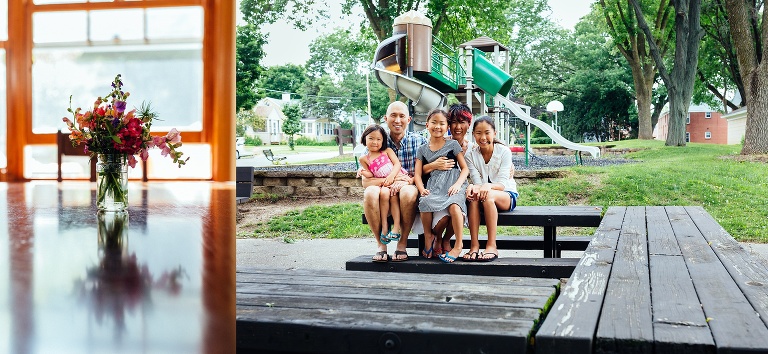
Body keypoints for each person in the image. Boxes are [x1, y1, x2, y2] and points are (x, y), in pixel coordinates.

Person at [361, 101, 427, 263]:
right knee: (370, 193)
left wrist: (408, 181)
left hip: (409, 187)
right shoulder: (375, 142)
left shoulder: (419, 142)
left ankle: (402, 244)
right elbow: (366, 183)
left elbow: (426, 172)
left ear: (409, 119)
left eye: (402, 116)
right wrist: (391, 179)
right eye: (393, 115)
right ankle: (381, 245)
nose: (397, 120)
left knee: (407, 192)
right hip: (383, 190)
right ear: (386, 118)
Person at [414, 109, 470, 263]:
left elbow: (464, 168)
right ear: (427, 125)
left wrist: (458, 185)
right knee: (424, 202)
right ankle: (428, 236)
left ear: (447, 127)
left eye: (442, 123)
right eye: (434, 122)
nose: (437, 126)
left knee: (454, 206)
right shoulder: (422, 149)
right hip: (435, 184)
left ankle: (458, 244)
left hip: (454, 182)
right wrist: (421, 189)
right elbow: (417, 174)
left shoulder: (452, 144)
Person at [463, 115, 518, 262]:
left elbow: (502, 184)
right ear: (473, 134)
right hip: (483, 196)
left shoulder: (504, 152)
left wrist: (487, 186)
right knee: (473, 197)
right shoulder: (470, 155)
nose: (483, 137)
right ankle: (474, 246)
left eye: (487, 132)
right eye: (479, 133)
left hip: (506, 195)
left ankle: (492, 245)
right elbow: (476, 181)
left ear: (494, 133)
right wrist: (473, 188)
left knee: (487, 196)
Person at [430, 103, 473, 256]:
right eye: (453, 122)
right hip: (441, 189)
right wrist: (434, 165)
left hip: (463, 191)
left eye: (462, 122)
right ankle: (438, 238)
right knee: (441, 215)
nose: (457, 127)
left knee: (456, 207)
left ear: (469, 123)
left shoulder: (474, 148)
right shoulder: (442, 143)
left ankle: (447, 239)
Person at [358, 124, 410, 246]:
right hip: (384, 185)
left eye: (378, 139)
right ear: (364, 138)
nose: (374, 142)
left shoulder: (387, 151)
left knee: (392, 195)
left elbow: (397, 164)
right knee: (384, 193)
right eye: (371, 138)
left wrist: (391, 177)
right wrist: (361, 171)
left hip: (396, 179)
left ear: (383, 141)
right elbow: (370, 175)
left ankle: (396, 227)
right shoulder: (364, 159)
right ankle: (385, 227)